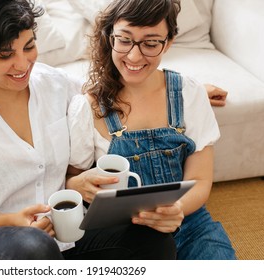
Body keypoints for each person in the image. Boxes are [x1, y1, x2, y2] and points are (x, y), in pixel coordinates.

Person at [0, 0, 176, 260]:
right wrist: (11, 221)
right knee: (33, 247)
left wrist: (175, 90)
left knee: (150, 236)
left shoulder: (56, 84)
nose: (23, 63)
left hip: (61, 235)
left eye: (29, 46)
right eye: (5, 55)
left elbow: (110, 92)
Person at [66, 0, 236, 260]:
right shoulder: (89, 107)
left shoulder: (189, 94)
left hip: (188, 223)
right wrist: (75, 184)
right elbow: (73, 180)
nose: (134, 56)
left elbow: (201, 179)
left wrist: (177, 209)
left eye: (150, 43)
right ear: (110, 36)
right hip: (125, 234)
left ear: (168, 42)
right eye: (124, 40)